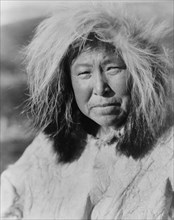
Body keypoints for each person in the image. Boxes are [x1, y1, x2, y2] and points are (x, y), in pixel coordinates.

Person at [1, 2, 173, 220]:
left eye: (113, 68)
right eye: (84, 73)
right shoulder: (52, 144)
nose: (100, 88)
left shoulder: (168, 146)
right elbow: (10, 197)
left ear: (139, 75)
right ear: (67, 83)